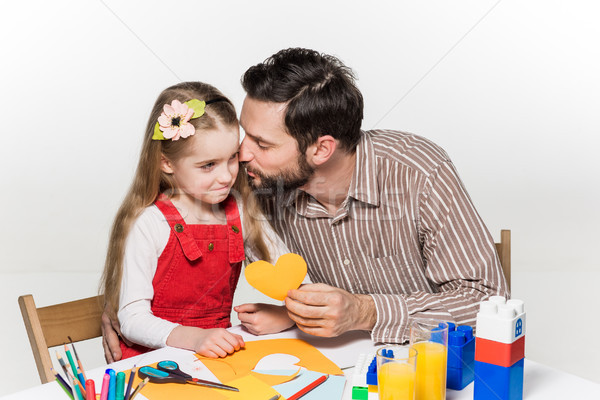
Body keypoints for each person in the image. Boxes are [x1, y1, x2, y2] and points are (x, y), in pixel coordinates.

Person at [103, 49, 508, 362]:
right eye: (246, 135)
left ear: (321, 149)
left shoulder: (418, 172)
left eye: (261, 143)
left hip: (430, 367)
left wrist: (365, 312)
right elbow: (170, 206)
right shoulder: (247, 180)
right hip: (332, 362)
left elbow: (486, 301)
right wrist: (120, 309)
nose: (240, 156)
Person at [100, 81, 288, 360]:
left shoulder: (240, 211)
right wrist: (195, 337)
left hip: (216, 359)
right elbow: (131, 318)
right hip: (152, 364)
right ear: (167, 163)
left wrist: (288, 315)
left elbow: (289, 271)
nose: (226, 176)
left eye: (232, 158)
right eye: (208, 165)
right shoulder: (150, 223)